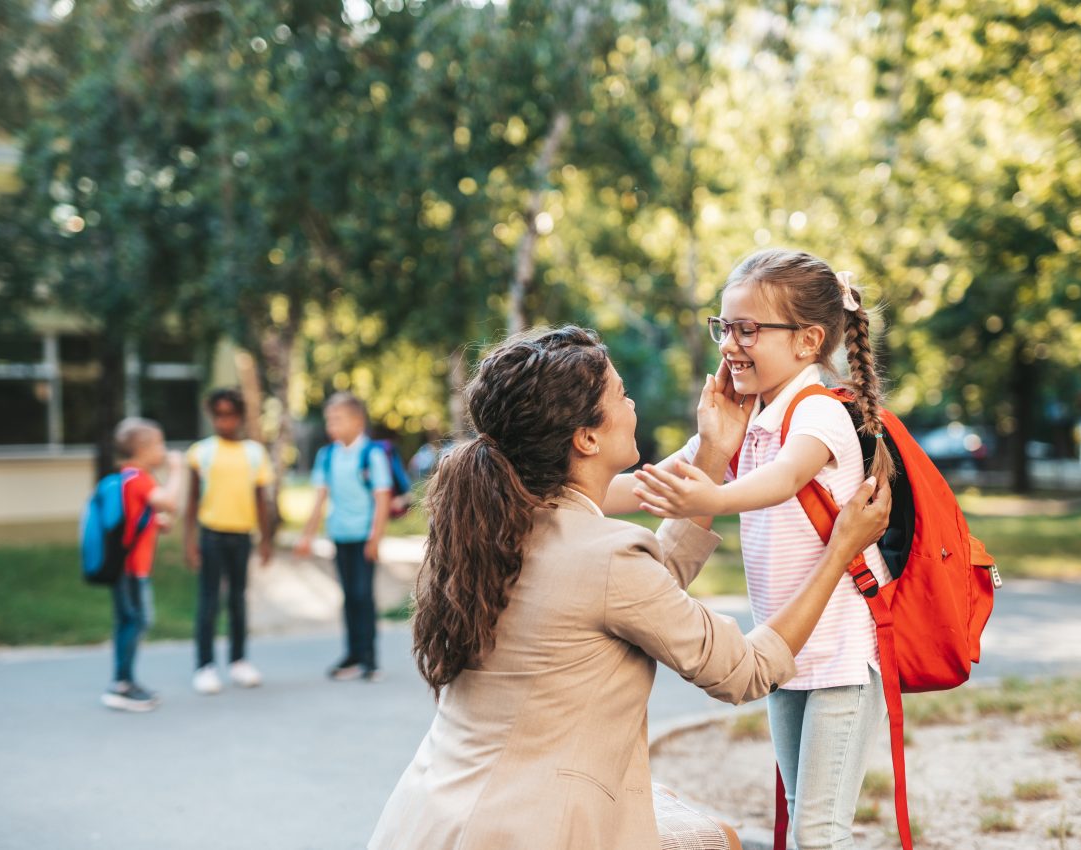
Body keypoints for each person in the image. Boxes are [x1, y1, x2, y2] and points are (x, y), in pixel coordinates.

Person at [368, 326, 890, 850]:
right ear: (587, 438)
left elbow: (641, 595)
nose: (633, 402)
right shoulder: (605, 554)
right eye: (620, 394)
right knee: (720, 841)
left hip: (426, 821)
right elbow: (745, 672)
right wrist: (841, 551)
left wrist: (712, 454)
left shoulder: (491, 528)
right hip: (535, 831)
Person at [612, 249, 896, 849]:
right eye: (724, 327)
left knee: (820, 835)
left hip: (843, 658)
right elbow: (647, 484)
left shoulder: (818, 410)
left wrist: (713, 489)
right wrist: (538, 491)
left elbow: (786, 479)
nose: (729, 344)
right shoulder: (750, 418)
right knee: (800, 822)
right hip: (787, 653)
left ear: (806, 341)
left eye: (748, 329)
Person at [293, 392, 393, 681]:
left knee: (363, 596)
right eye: (329, 420)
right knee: (348, 597)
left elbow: (382, 498)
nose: (330, 425)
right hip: (340, 535)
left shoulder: (371, 454)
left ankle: (370, 659)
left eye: (337, 419)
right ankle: (352, 654)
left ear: (357, 421)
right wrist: (307, 536)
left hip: (364, 536)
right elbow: (319, 499)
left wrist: (376, 538)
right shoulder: (327, 456)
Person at [184, 388, 274, 695]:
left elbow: (261, 500)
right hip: (211, 534)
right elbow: (193, 499)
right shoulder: (201, 452)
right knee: (209, 601)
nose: (224, 421)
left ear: (239, 416)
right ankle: (205, 666)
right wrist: (189, 541)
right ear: (212, 416)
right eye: (218, 415)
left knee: (238, 599)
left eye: (230, 415)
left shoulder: (253, 453)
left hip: (241, 535)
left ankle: (239, 661)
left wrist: (266, 540)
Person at [102, 417, 184, 712]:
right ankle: (121, 685)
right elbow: (170, 502)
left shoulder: (128, 477)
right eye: (159, 444)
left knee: (129, 620)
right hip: (131, 569)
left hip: (127, 566)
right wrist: (176, 471)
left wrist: (155, 523)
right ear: (143, 449)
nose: (163, 451)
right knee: (137, 620)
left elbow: (136, 517)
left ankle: (125, 680)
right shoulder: (139, 478)